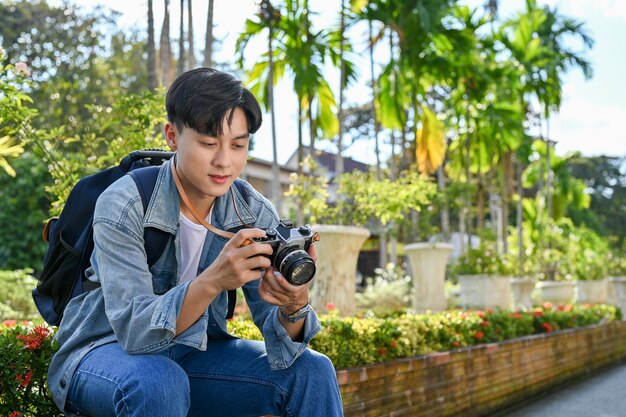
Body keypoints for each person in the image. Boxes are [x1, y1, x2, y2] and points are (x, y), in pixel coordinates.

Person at [48, 68, 344, 417]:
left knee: (311, 370)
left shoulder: (251, 210)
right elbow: (134, 331)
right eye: (208, 143)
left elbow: (282, 341)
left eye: (238, 144)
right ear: (172, 136)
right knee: (158, 380)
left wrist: (294, 304)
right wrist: (215, 280)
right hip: (101, 352)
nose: (225, 161)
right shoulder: (125, 201)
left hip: (192, 355)